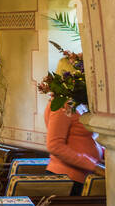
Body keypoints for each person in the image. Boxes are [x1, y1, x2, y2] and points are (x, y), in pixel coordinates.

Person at [44, 60, 105, 193]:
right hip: (68, 178)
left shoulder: (79, 103)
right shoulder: (62, 104)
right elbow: (55, 145)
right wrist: (92, 165)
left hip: (85, 176)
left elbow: (87, 138)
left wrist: (106, 153)